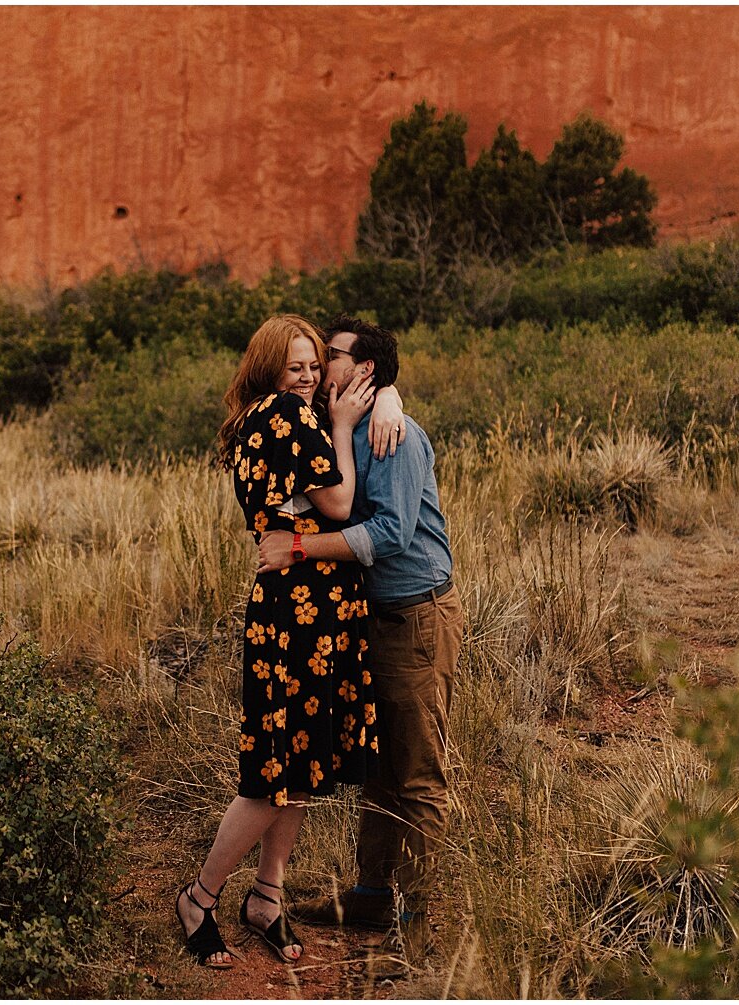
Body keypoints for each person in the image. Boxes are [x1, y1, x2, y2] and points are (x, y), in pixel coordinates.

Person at [174, 314, 405, 969]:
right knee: (271, 773)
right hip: (299, 611)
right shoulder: (287, 415)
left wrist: (385, 391)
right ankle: (200, 896)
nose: (306, 377)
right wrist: (337, 423)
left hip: (310, 606)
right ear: (270, 370)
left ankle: (267, 898)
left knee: (301, 761)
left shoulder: (255, 417)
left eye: (312, 366)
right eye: (295, 367)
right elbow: (336, 503)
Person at [257, 315, 462, 978]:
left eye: (332, 356)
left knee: (418, 772)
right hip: (367, 619)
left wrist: (295, 549)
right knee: (377, 766)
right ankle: (372, 896)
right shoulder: (335, 424)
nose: (319, 366)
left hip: (414, 616)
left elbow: (393, 535)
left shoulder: (395, 433)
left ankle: (421, 927)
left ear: (366, 370)